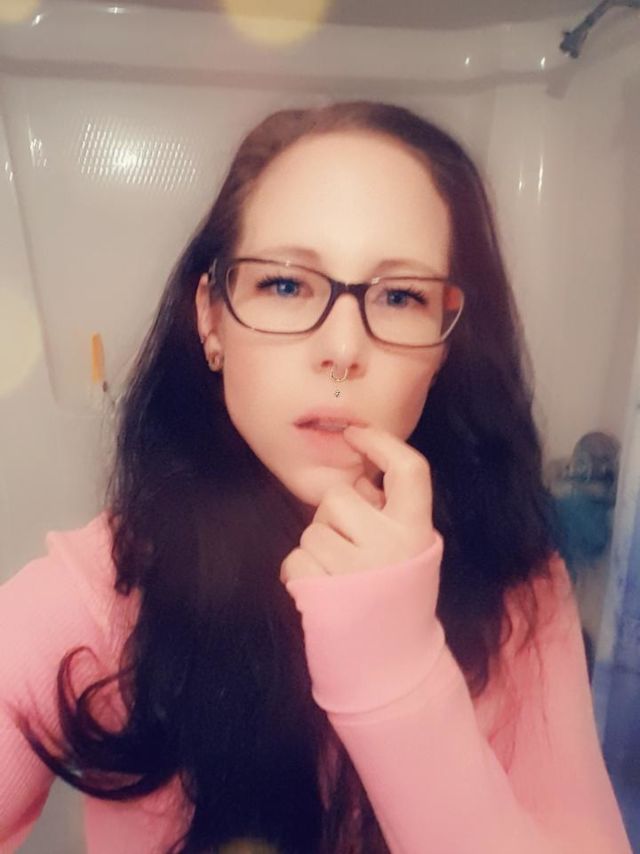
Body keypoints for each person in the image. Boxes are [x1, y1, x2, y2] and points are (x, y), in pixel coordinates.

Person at [0, 102, 632, 854]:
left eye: (400, 296)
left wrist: (398, 676)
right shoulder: (96, 594)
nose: (342, 350)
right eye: (285, 285)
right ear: (211, 320)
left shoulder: (521, 581)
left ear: (443, 343)